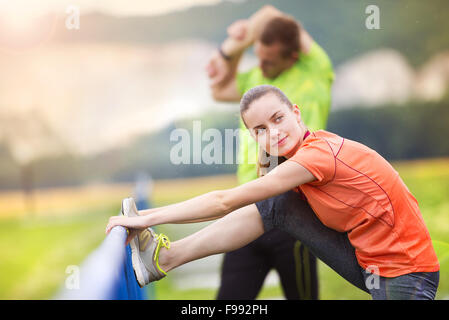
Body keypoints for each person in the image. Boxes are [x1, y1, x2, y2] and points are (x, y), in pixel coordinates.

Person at [107, 85, 440, 300]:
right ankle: (163, 259)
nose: (274, 132)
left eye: (278, 118)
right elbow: (265, 204)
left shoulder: (316, 156)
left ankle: (163, 258)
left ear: (296, 113)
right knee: (277, 205)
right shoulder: (294, 157)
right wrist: (269, 156)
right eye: (260, 130)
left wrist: (145, 218)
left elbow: (225, 201)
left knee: (274, 203)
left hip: (406, 278)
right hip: (370, 267)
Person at [205, 5, 334, 299]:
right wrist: (232, 51)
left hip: (295, 211)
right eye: (258, 58)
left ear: (293, 56)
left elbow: (268, 12)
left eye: (269, 61)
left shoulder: (316, 69)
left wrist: (240, 37)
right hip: (248, 207)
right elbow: (218, 89)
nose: (261, 67)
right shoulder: (255, 80)